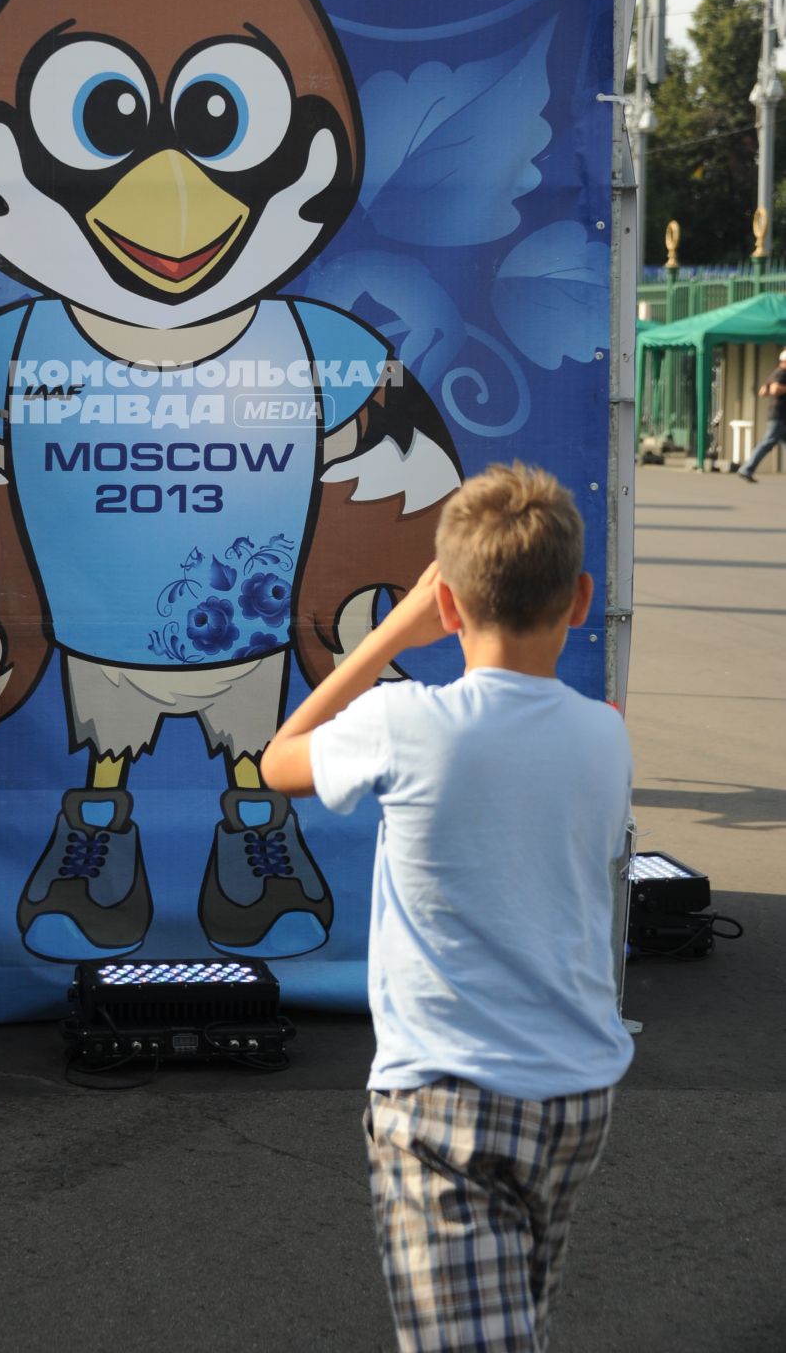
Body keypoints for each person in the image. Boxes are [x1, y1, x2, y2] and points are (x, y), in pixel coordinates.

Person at [263, 463, 633, 1353]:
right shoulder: (606, 735)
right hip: (575, 1090)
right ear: (578, 598)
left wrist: (390, 635)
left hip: (446, 1098)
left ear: (451, 608)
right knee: (518, 1321)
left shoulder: (405, 719)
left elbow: (281, 758)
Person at [737, 347, 786, 481]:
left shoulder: (775, 373)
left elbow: (763, 391)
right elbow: (774, 390)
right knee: (768, 442)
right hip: (779, 415)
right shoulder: (782, 373)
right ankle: (747, 468)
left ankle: (747, 468)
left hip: (779, 415)